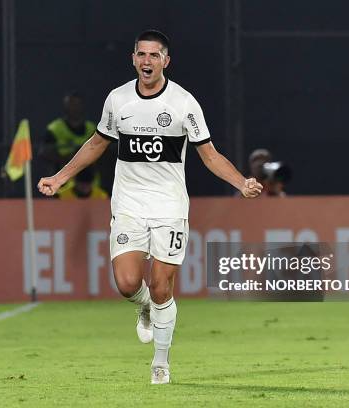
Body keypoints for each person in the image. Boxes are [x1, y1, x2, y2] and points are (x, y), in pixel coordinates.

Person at [38, 29, 262, 385]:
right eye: (141, 55)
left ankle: (160, 363)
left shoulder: (183, 104)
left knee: (162, 287)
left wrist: (241, 182)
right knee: (128, 283)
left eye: (154, 56)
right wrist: (60, 177)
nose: (146, 61)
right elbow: (97, 143)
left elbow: (209, 154)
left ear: (166, 61)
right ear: (133, 59)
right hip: (128, 203)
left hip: (170, 207)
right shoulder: (118, 100)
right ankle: (143, 307)